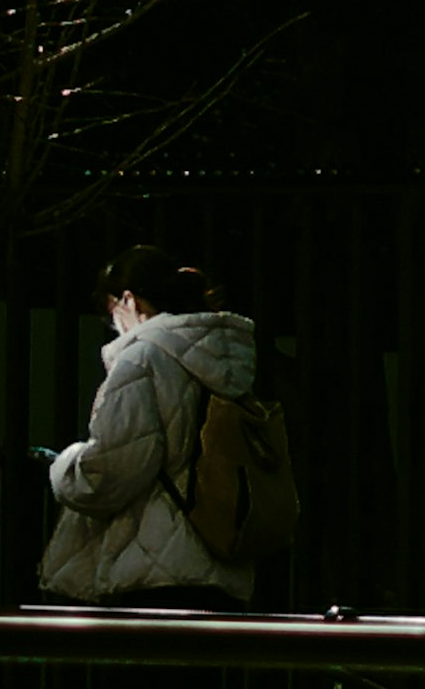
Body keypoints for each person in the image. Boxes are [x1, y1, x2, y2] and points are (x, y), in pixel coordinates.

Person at [39, 245, 261, 607]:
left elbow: (111, 470)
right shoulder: (230, 363)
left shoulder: (143, 359)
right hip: (221, 563)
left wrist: (65, 465)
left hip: (151, 570)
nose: (113, 327)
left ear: (128, 300)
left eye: (110, 313)